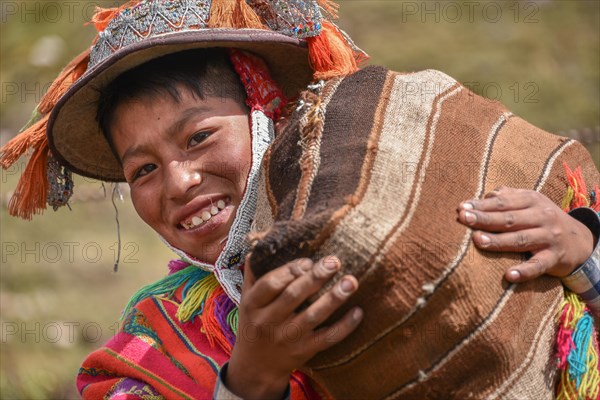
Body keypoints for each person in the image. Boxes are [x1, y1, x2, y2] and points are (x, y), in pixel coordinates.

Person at [1, 0, 598, 399]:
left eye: (200, 137)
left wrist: (580, 255)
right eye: (144, 170)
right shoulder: (155, 341)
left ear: (267, 116)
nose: (179, 182)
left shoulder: (409, 217)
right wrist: (251, 379)